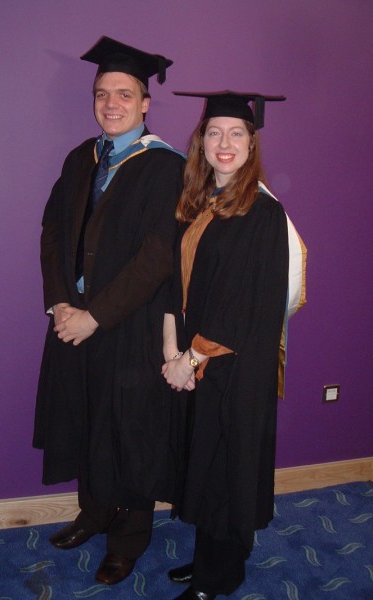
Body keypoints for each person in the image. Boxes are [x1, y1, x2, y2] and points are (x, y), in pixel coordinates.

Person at [33, 36, 185, 586]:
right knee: (85, 418)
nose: (111, 104)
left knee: (129, 431)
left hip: (129, 325)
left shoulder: (166, 167)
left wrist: (95, 315)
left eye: (124, 94)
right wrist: (60, 302)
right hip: (71, 319)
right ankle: (94, 514)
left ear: (146, 102)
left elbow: (158, 255)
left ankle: (129, 537)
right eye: (103, 94)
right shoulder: (81, 158)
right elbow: (52, 232)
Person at [162, 91, 297, 599]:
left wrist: (191, 357)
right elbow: (182, 284)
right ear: (201, 141)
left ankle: (216, 578)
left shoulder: (260, 213)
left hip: (234, 365)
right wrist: (174, 349)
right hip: (203, 361)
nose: (224, 143)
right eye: (214, 132)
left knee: (224, 466)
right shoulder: (203, 203)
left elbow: (243, 304)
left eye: (236, 133)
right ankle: (212, 561)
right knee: (209, 462)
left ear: (251, 143)